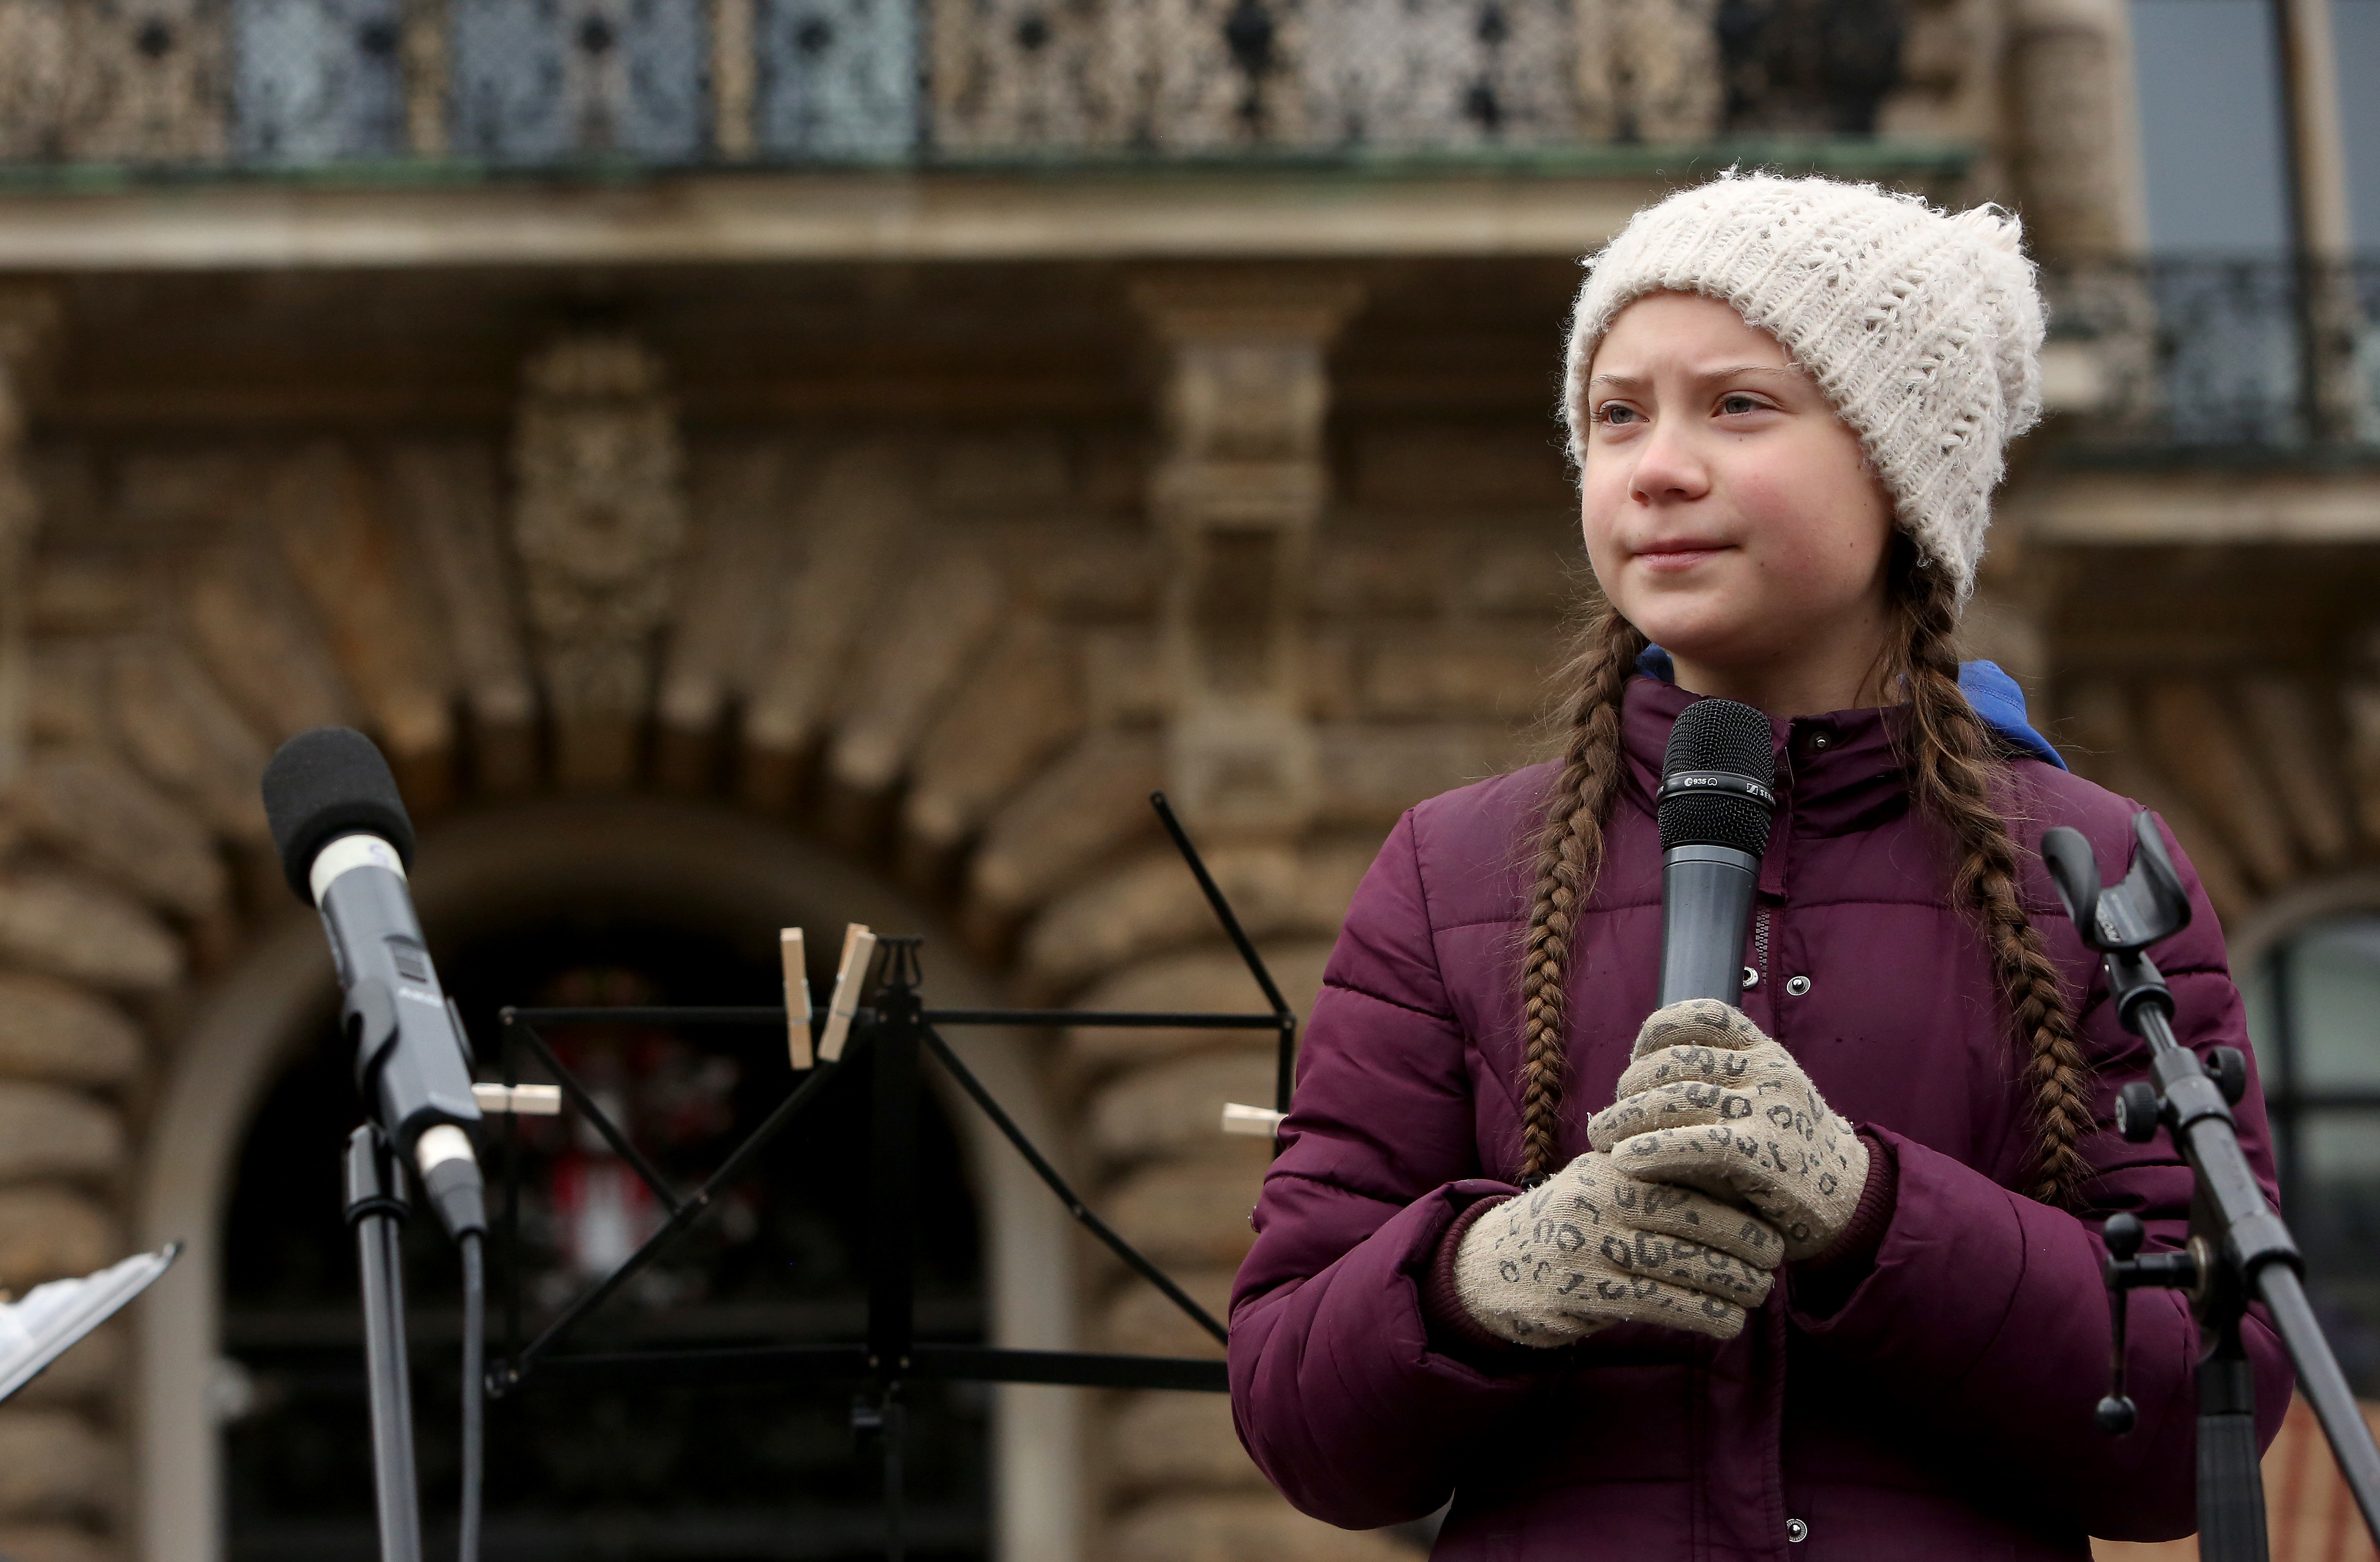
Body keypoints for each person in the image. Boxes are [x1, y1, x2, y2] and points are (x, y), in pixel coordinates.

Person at [1225, 172, 2289, 1559]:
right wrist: (1486, 1278)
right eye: (1618, 415)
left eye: (1738, 405)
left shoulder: (2096, 871)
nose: (1658, 466)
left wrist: (1866, 1210)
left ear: (1898, 470)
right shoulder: (1451, 868)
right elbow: (1299, 1418)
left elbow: (2205, 1405)